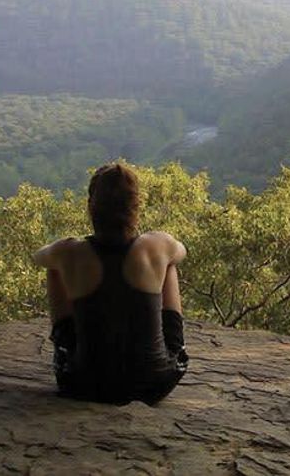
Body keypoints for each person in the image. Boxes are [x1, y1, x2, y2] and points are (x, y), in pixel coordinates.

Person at [33, 163, 188, 404]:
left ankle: (66, 348)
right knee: (168, 263)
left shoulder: (70, 251)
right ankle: (172, 348)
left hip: (85, 384)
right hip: (155, 383)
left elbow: (39, 257)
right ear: (135, 206)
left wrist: (66, 250)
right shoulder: (156, 245)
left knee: (55, 267)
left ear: (91, 207)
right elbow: (181, 252)